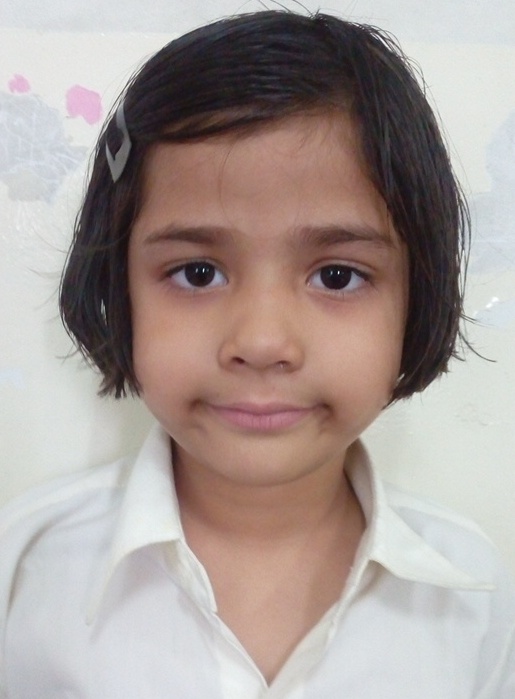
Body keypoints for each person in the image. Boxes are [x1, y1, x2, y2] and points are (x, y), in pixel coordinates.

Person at [0, 9, 513, 698]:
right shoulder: (26, 568)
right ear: (118, 289)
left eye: (337, 276)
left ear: (416, 298)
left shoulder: (472, 594)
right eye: (197, 273)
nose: (262, 343)